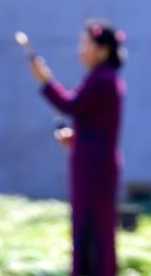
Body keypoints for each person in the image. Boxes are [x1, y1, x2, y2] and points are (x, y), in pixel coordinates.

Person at [28, 20, 126, 276]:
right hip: (93, 165)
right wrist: (76, 137)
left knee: (92, 233)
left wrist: (45, 80)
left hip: (94, 169)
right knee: (91, 230)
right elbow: (95, 123)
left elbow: (71, 105)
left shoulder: (103, 79)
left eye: (85, 44)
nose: (80, 50)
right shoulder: (103, 78)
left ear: (103, 50)